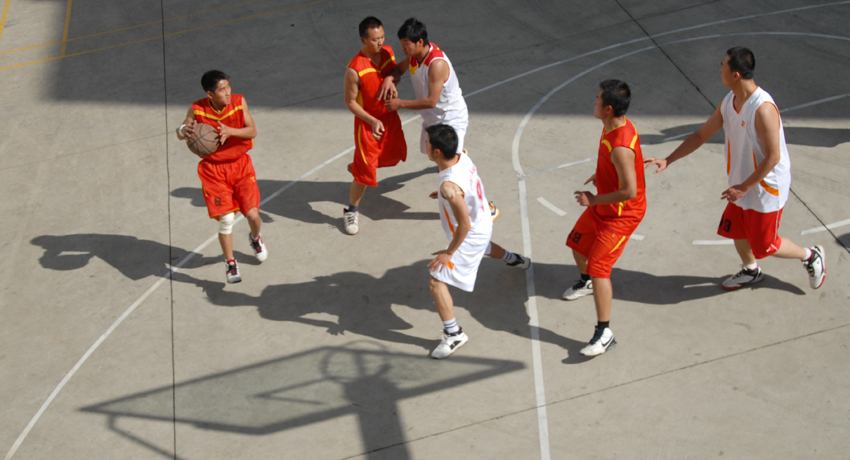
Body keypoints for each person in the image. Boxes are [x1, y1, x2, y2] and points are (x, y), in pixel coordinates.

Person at [645, 47, 825, 292]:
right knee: (736, 229)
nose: (719, 70)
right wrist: (668, 159)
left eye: (723, 66)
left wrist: (744, 187)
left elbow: (773, 157)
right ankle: (751, 270)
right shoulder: (729, 101)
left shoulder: (763, 109)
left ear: (736, 75)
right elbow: (701, 135)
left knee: (766, 245)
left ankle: (811, 255)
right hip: (741, 183)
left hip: (765, 187)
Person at [424, 124, 530, 359]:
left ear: (437, 151)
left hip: (471, 232)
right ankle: (515, 259)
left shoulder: (450, 187)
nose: (425, 145)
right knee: (485, 247)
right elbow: (464, 184)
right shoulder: (462, 156)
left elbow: (464, 226)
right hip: (483, 218)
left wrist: (449, 253)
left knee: (436, 282)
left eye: (427, 143)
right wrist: (443, 195)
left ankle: (453, 334)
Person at [381, 17, 498, 220]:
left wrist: (400, 103)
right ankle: (458, 153)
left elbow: (431, 101)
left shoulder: (436, 65)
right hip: (434, 119)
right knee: (431, 153)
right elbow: (399, 69)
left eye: (406, 44)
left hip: (450, 120)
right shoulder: (415, 57)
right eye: (401, 44)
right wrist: (389, 78)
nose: (403, 48)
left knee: (454, 168)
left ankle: (485, 206)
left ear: (420, 42)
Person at [563, 80, 647, 357]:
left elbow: (630, 191)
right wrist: (601, 175)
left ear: (608, 108)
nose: (594, 102)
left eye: (598, 99)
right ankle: (587, 282)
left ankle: (604, 333)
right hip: (604, 206)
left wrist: (593, 199)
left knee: (600, 268)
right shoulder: (611, 126)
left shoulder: (621, 145)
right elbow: (615, 168)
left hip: (622, 215)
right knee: (577, 244)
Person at [176, 70, 266, 283]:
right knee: (226, 219)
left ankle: (255, 238)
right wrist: (182, 130)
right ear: (210, 93)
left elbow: (252, 131)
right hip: (213, 171)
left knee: (253, 215)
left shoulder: (238, 102)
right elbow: (182, 130)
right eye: (222, 89)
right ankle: (230, 263)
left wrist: (231, 131)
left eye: (228, 87)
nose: (227, 92)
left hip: (240, 166)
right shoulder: (197, 109)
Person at [342, 16, 408, 235]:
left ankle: (358, 165)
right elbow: (350, 102)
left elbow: (395, 74)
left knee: (390, 155)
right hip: (368, 124)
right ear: (363, 40)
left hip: (389, 116)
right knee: (365, 172)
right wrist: (371, 120)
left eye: (382, 37)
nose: (380, 42)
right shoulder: (354, 69)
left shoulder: (388, 52)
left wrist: (393, 83)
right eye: (375, 39)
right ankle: (351, 210)